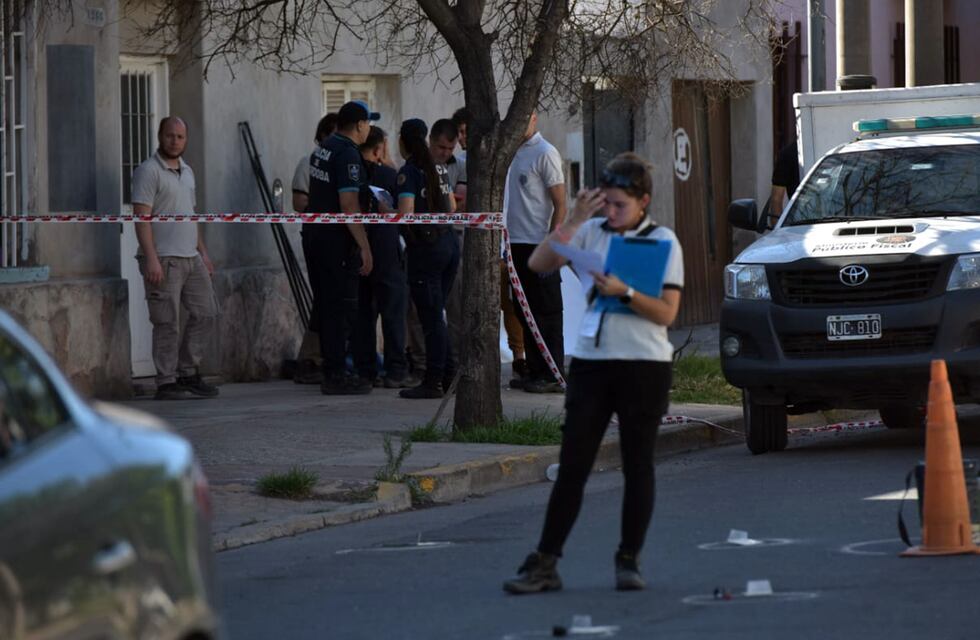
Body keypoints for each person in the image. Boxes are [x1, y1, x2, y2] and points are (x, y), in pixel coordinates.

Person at [502, 153, 684, 594]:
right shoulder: (589, 232)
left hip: (644, 365)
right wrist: (575, 217)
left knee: (637, 465)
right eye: (607, 204)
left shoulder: (662, 241)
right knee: (573, 466)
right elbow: (539, 263)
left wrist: (625, 293)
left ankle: (628, 559)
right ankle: (545, 562)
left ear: (643, 202)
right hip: (592, 363)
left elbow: (666, 313)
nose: (612, 213)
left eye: (621, 205)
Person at [132, 116, 220, 401]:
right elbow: (141, 218)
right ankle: (167, 381)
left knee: (207, 311)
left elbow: (191, 216)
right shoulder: (148, 171)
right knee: (166, 321)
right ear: (160, 136)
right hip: (163, 258)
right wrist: (151, 258)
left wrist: (204, 254)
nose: (175, 141)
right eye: (170, 136)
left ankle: (188, 371)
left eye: (180, 137)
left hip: (190, 257)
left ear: (186, 140)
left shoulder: (188, 172)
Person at [307, 100, 378, 395]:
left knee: (327, 304)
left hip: (316, 237)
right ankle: (336, 373)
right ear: (360, 125)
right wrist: (365, 246)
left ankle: (332, 368)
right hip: (336, 241)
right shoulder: (348, 154)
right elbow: (349, 205)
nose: (369, 128)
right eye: (368, 123)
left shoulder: (323, 148)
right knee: (339, 307)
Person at [396, 118, 459, 399]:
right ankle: (447, 374)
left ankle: (434, 380)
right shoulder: (440, 169)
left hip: (426, 250)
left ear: (402, 143)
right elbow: (453, 207)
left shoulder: (409, 172)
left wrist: (387, 209)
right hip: (448, 243)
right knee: (437, 316)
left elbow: (406, 213)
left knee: (431, 318)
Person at [505, 111, 567, 393]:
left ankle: (552, 373)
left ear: (534, 118)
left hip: (538, 242)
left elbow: (560, 204)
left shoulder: (545, 152)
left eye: (525, 118)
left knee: (546, 310)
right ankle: (534, 369)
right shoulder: (512, 153)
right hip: (514, 243)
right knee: (523, 308)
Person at [354, 126, 414, 388]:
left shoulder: (351, 174)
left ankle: (365, 369)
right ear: (378, 150)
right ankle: (395, 369)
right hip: (387, 249)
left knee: (363, 313)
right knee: (392, 312)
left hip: (357, 249)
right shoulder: (391, 175)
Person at [291, 113, 338, 385]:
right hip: (318, 236)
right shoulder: (308, 162)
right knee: (323, 298)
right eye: (330, 135)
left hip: (337, 238)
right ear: (321, 137)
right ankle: (310, 358)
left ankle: (327, 355)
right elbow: (299, 202)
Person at [767, 137, 800, 229]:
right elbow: (776, 200)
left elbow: (776, 199)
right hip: (800, 226)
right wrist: (778, 233)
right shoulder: (788, 154)